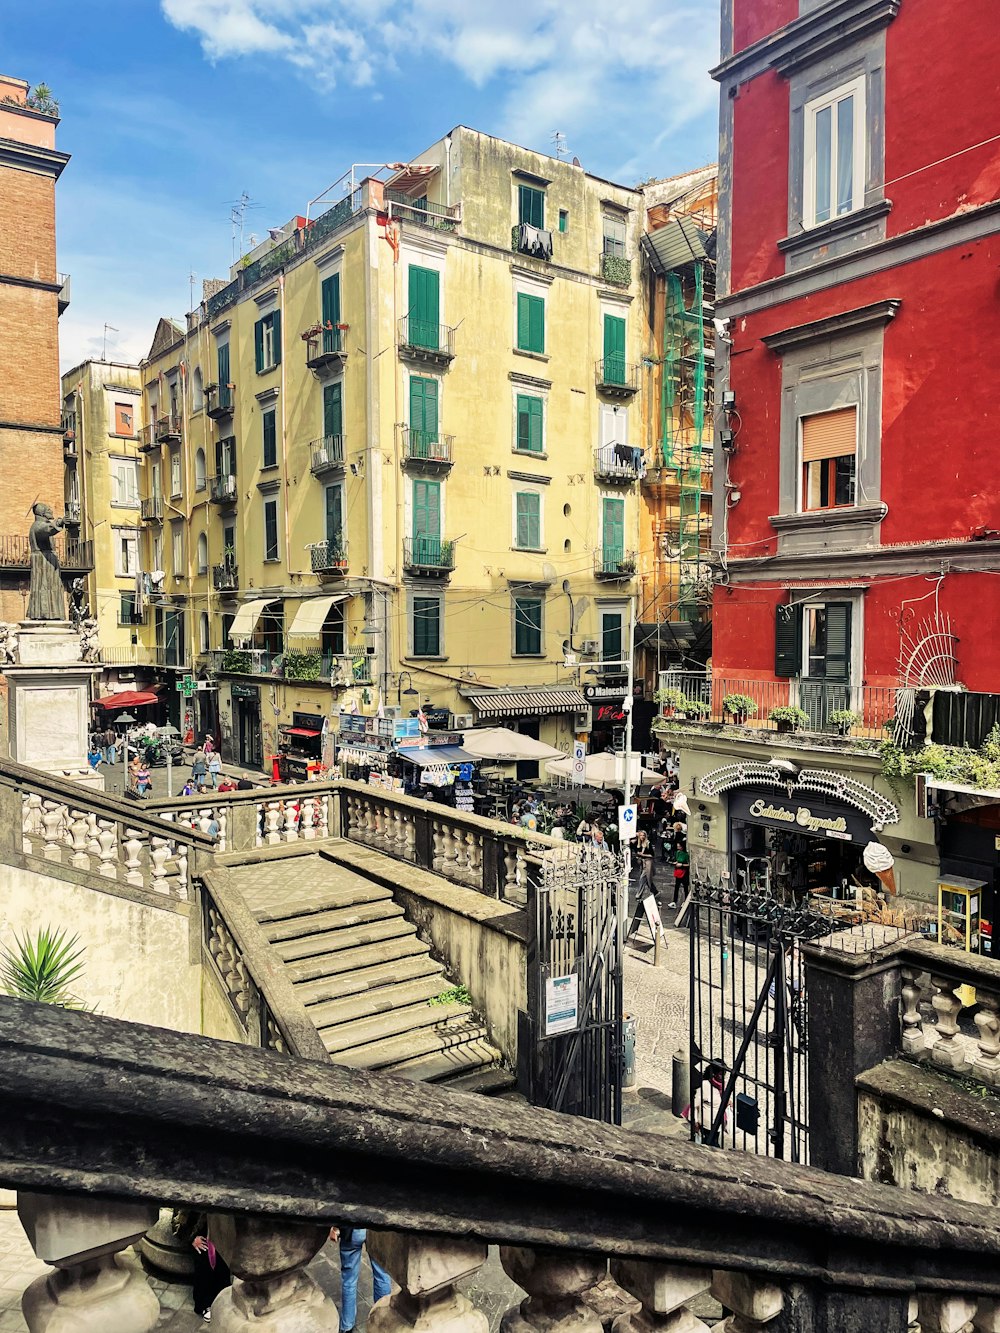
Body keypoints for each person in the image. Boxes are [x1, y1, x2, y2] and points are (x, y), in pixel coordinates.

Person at [171, 1210, 232, 1321]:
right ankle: (205, 1304)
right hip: (201, 1234)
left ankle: (223, 1300)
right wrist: (192, 1238)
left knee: (223, 1266)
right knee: (204, 1267)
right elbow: (178, 1220)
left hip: (222, 1230)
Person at [334, 1225, 391, 1333]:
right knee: (382, 1275)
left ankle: (347, 1325)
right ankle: (382, 1320)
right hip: (378, 1229)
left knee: (349, 1280)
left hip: (353, 1229)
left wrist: (335, 1227)